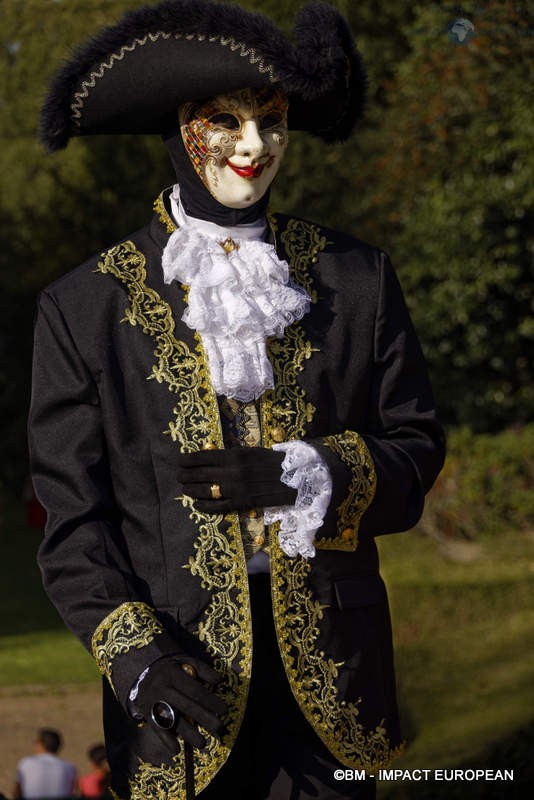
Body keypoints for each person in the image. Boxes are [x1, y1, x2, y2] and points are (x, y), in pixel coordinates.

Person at [29, 1, 445, 799]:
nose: (255, 145)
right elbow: (72, 523)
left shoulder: (356, 279)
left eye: (275, 122)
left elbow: (417, 449)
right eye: (226, 120)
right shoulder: (86, 307)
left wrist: (310, 474)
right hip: (182, 689)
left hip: (338, 681)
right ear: (179, 126)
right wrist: (136, 659)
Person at [13, 728, 77, 800]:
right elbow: (71, 792)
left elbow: (16, 792)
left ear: (40, 744)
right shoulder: (69, 767)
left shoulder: (26, 763)